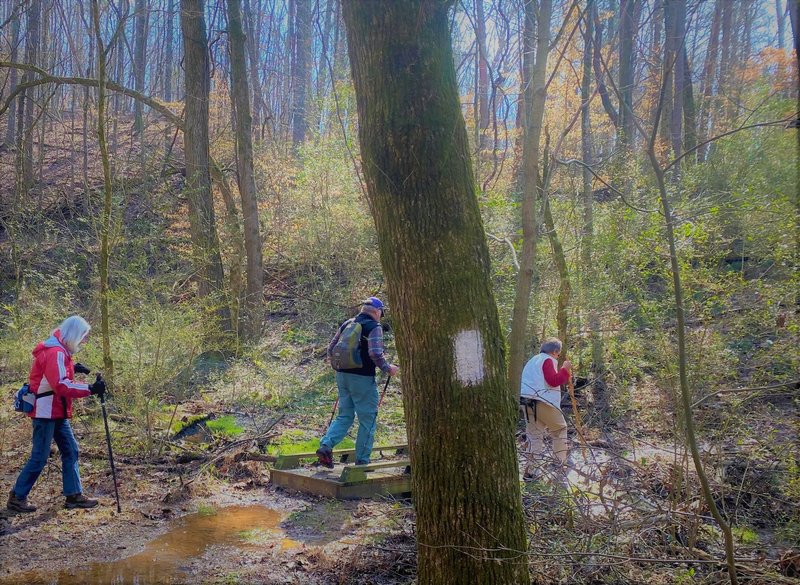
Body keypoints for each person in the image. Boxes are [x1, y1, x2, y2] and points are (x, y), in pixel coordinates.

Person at [7, 315, 106, 513]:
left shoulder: (59, 350)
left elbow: (52, 375)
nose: (84, 340)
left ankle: (73, 495)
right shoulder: (56, 352)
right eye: (83, 336)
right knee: (40, 456)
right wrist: (91, 388)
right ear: (74, 334)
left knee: (70, 450)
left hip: (56, 410)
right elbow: (60, 385)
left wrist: (72, 367)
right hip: (46, 411)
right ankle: (17, 497)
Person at [317, 297, 399, 468]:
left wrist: (341, 367)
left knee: (345, 415)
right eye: (381, 313)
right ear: (377, 312)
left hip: (342, 376)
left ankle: (326, 446)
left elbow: (331, 348)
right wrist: (388, 368)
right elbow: (375, 353)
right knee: (367, 418)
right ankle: (362, 461)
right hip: (362, 378)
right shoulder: (374, 327)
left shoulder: (348, 323)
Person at [519, 337, 572, 477]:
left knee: (534, 435)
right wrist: (565, 370)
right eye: (558, 354)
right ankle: (560, 463)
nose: (558, 356)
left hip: (526, 400)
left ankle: (531, 471)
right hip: (541, 400)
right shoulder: (547, 360)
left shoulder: (533, 360)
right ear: (555, 351)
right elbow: (553, 381)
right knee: (560, 429)